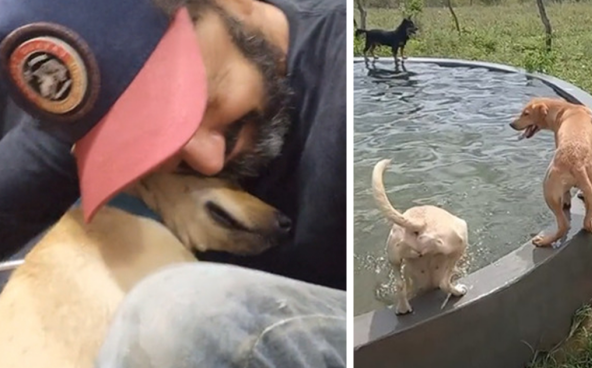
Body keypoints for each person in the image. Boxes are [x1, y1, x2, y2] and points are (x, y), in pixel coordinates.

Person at [0, 0, 346, 366]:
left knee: (178, 315)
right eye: (154, 140)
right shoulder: (87, 118)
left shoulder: (340, 92)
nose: (209, 159)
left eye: (198, 101)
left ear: (231, 6)